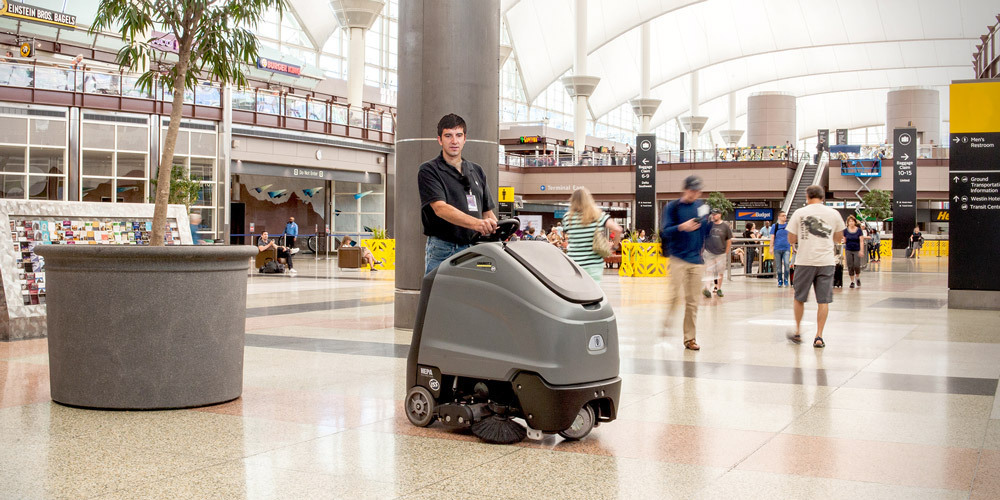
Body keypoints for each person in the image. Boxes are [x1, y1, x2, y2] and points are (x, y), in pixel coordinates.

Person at [418, 113, 497, 274]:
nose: (454, 141)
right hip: (443, 249)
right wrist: (477, 224)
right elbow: (440, 208)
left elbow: (487, 212)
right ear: (440, 139)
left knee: (472, 297)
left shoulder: (476, 170)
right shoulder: (429, 170)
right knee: (440, 297)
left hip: (474, 248)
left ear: (465, 138)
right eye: (448, 136)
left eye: (458, 135)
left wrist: (498, 228)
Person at [786, 185, 845, 348]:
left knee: (799, 298)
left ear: (807, 196)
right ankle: (819, 336)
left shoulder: (799, 213)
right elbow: (839, 238)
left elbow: (791, 239)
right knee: (823, 300)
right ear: (823, 197)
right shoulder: (834, 213)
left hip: (804, 261)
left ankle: (797, 332)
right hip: (826, 262)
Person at [660, 175, 712, 351]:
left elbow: (706, 231)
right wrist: (683, 226)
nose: (695, 194)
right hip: (677, 258)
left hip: (696, 260)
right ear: (685, 189)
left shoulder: (702, 206)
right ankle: (666, 324)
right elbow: (665, 231)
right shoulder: (672, 207)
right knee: (674, 296)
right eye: (692, 190)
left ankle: (690, 339)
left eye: (698, 191)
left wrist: (711, 223)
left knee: (693, 301)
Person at [563, 187, 622, 283]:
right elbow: (618, 229)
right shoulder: (598, 215)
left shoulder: (567, 217)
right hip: (593, 263)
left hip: (574, 263)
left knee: (577, 293)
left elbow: (567, 236)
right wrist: (614, 247)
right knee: (594, 293)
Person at [701, 208, 732, 298]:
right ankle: (707, 288)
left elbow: (729, 240)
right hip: (709, 251)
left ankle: (718, 288)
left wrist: (726, 252)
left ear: (720, 214)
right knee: (709, 271)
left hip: (721, 252)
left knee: (720, 272)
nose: (714, 216)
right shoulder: (708, 225)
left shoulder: (725, 226)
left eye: (715, 214)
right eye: (712, 214)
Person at [770, 211, 792, 287]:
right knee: (779, 267)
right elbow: (772, 237)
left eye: (785, 216)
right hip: (777, 248)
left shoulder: (788, 226)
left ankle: (786, 279)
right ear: (779, 217)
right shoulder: (775, 226)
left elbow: (791, 237)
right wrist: (771, 248)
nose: (784, 217)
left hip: (786, 248)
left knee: (786, 264)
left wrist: (793, 247)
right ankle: (780, 280)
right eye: (783, 216)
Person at [843, 215, 866, 288]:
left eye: (852, 221)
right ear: (848, 223)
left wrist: (861, 250)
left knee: (856, 265)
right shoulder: (845, 230)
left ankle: (857, 277)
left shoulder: (859, 230)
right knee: (850, 266)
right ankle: (852, 281)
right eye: (850, 221)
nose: (851, 223)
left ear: (855, 222)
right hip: (848, 249)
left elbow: (861, 241)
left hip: (856, 249)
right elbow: (844, 240)